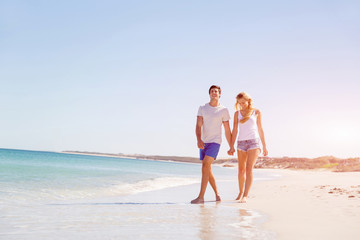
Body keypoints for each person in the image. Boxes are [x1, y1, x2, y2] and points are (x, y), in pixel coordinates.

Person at [191, 85, 232, 204]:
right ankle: (217, 194)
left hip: (215, 142)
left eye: (216, 91)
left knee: (205, 166)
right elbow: (198, 126)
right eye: (212, 91)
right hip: (204, 141)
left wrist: (231, 146)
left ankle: (201, 197)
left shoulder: (223, 110)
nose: (214, 93)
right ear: (209, 94)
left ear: (220, 94)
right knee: (207, 169)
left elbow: (227, 129)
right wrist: (199, 139)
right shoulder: (202, 108)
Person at [228, 92, 268, 203]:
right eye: (239, 103)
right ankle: (240, 192)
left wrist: (264, 146)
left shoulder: (256, 112)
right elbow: (235, 130)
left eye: (243, 102)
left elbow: (260, 129)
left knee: (249, 169)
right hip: (241, 143)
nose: (242, 105)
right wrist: (231, 145)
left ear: (248, 101)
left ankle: (245, 195)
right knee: (241, 170)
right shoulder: (237, 114)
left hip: (254, 143)